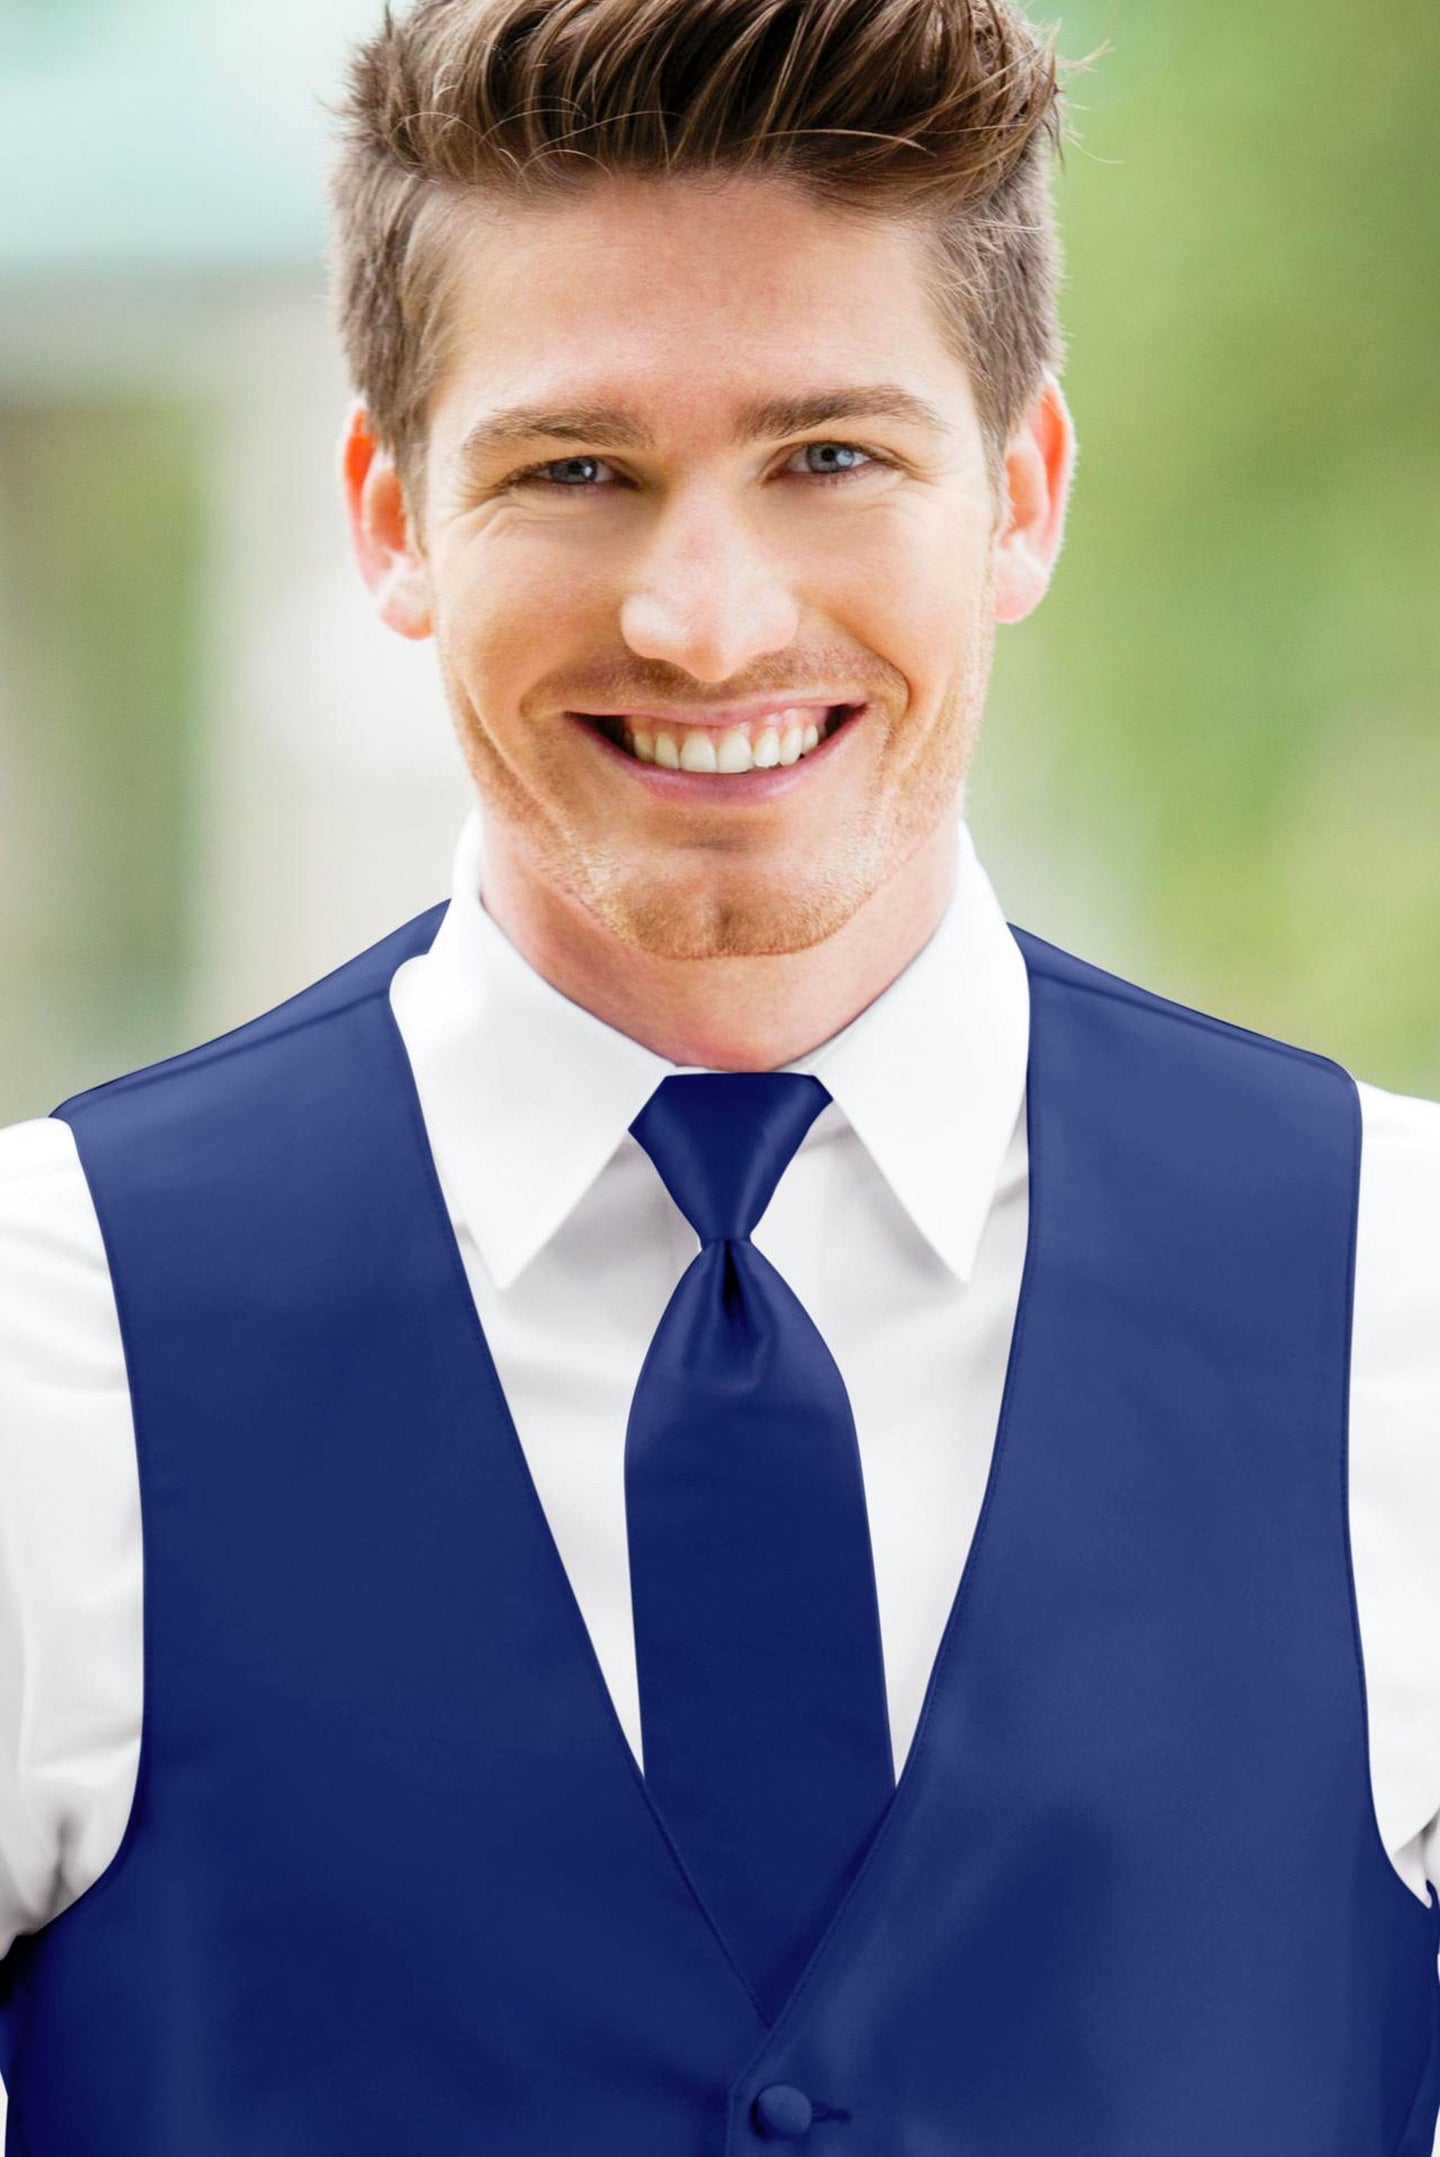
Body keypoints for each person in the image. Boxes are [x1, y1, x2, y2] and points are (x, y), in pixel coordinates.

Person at [1, 0, 1437, 2148]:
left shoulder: (1403, 1296)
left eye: (829, 456)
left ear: (1023, 493)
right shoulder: (46, 1337)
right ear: (391, 515)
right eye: (576, 467)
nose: (704, 616)